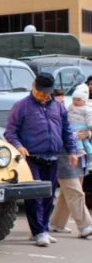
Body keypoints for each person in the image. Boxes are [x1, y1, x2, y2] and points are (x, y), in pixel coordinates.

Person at [4, 73, 81, 246]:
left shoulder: (59, 108)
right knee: (34, 198)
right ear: (33, 86)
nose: (42, 95)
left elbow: (67, 131)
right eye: (39, 92)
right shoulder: (21, 106)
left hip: (52, 157)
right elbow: (10, 131)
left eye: (45, 93)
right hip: (31, 158)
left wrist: (72, 151)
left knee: (48, 196)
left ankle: (43, 229)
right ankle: (38, 231)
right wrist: (18, 146)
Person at [51, 83, 92, 237]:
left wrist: (86, 134)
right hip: (62, 157)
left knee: (66, 192)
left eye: (63, 102)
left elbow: (86, 130)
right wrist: (77, 135)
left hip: (78, 156)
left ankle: (56, 223)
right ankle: (85, 226)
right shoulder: (50, 116)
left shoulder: (68, 113)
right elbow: (56, 136)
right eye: (58, 102)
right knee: (75, 192)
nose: (62, 105)